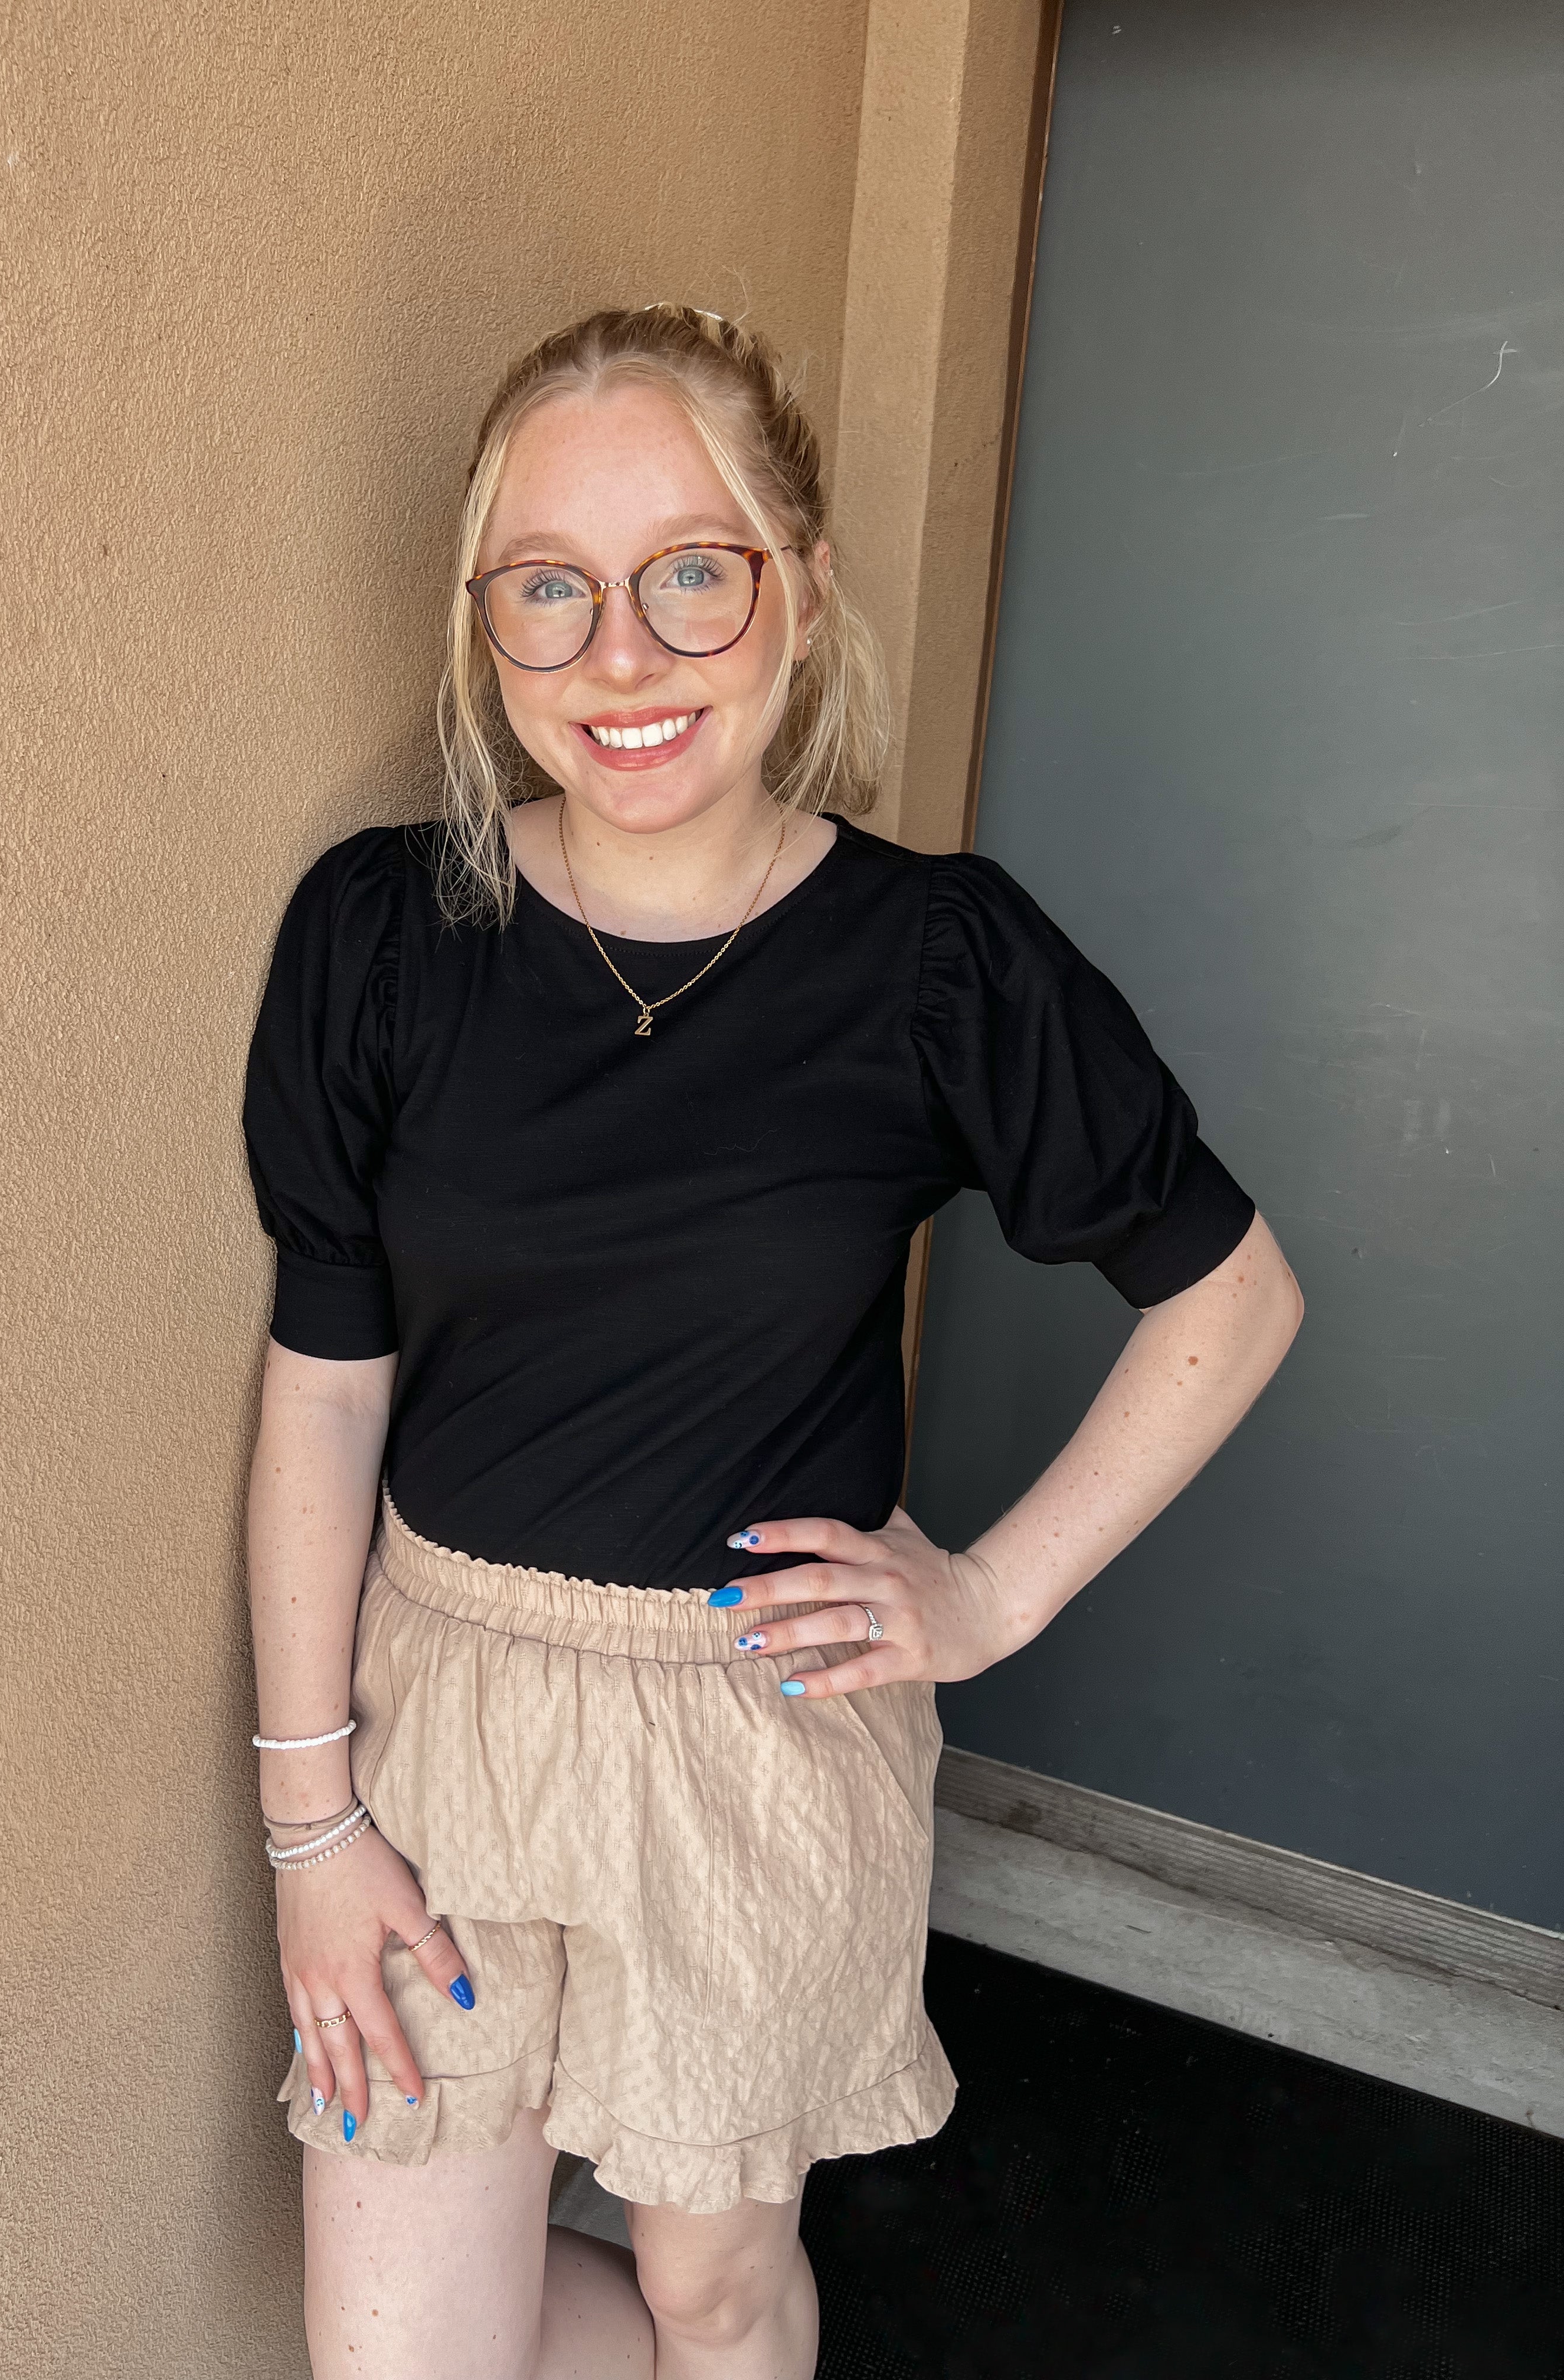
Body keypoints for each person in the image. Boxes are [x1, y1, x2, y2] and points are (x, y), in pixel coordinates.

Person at [240, 302, 1304, 2380]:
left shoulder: (938, 964)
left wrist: (992, 1594)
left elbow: (1231, 1289)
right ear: (488, 627)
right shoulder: (379, 936)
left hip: (756, 1737)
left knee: (711, 2296)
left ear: (798, 593)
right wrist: (310, 1824)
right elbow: (327, 1379)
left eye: (690, 576)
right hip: (439, 1720)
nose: (621, 657)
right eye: (551, 590)